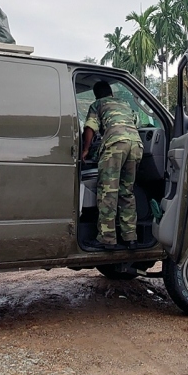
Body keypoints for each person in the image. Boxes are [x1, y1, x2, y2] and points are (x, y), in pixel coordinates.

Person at [81, 81, 144, 249]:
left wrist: (86, 149)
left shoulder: (97, 104)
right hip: (136, 145)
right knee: (126, 191)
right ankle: (130, 238)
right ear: (111, 93)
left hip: (115, 144)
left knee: (108, 192)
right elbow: (135, 123)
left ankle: (106, 239)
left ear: (96, 95)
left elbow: (90, 127)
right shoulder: (124, 104)